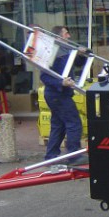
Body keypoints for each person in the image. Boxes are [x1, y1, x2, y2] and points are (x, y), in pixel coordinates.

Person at [40, 26, 86, 163]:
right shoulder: (53, 53)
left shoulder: (66, 50)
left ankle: (51, 156)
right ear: (58, 37)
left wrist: (82, 54)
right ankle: (74, 155)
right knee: (74, 122)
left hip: (59, 94)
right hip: (57, 94)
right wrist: (61, 83)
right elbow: (44, 77)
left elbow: (77, 63)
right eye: (66, 34)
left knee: (58, 125)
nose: (69, 36)